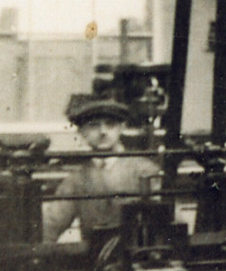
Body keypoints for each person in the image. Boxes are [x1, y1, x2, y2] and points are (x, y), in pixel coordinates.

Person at [43, 97, 158, 241]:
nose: (103, 132)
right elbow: (51, 225)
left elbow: (163, 222)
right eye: (94, 125)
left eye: (110, 125)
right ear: (82, 132)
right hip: (95, 253)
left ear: (121, 128)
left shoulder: (144, 170)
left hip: (136, 252)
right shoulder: (76, 179)